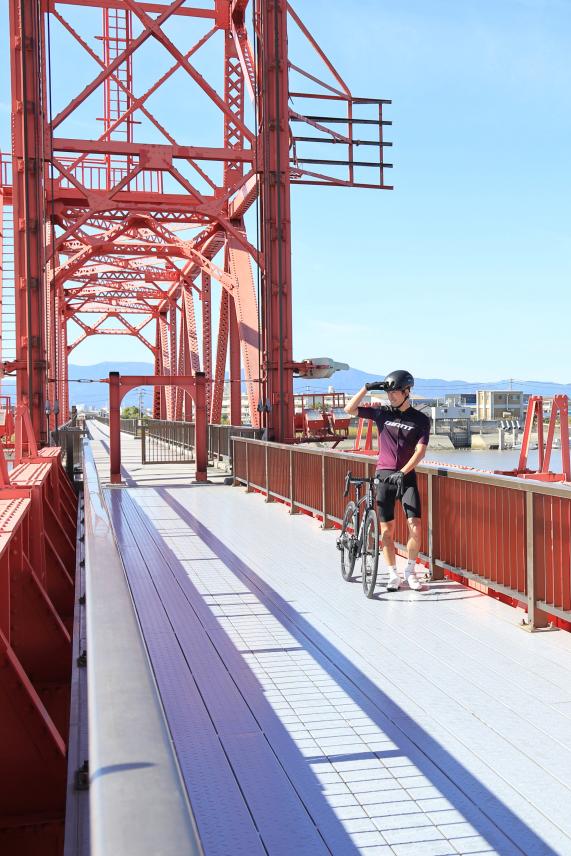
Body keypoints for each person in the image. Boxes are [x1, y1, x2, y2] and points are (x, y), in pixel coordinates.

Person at [344, 369, 430, 592]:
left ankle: (410, 573)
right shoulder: (382, 413)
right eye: (388, 392)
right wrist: (366, 388)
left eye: (395, 392)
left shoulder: (420, 420)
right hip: (383, 476)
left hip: (406, 477)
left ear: (407, 391)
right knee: (386, 531)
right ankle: (393, 574)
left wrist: (403, 472)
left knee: (416, 526)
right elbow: (349, 409)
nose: (390, 396)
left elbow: (420, 452)